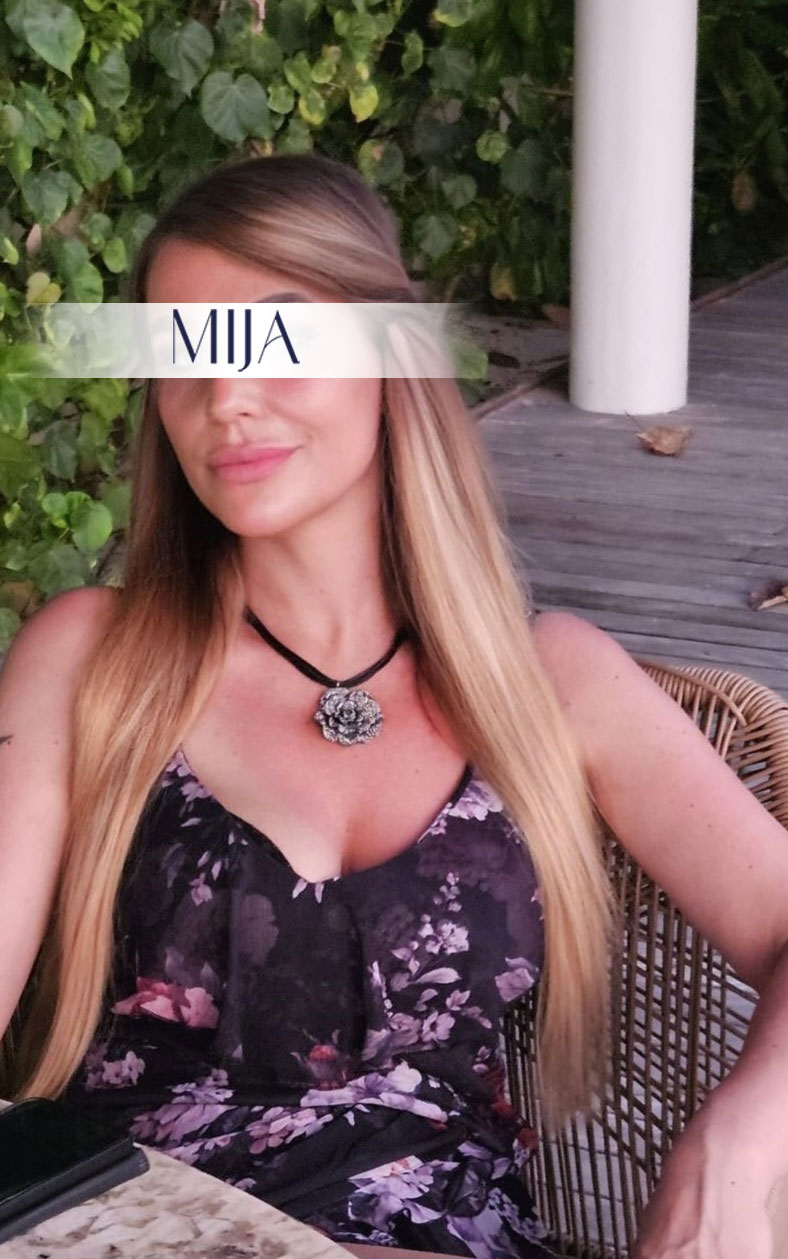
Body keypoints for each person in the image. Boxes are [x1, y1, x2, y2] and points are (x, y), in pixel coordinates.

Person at [1, 153, 787, 1259]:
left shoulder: (550, 682)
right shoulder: (95, 658)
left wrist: (735, 1145)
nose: (226, 398)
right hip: (137, 1222)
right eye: (183, 356)